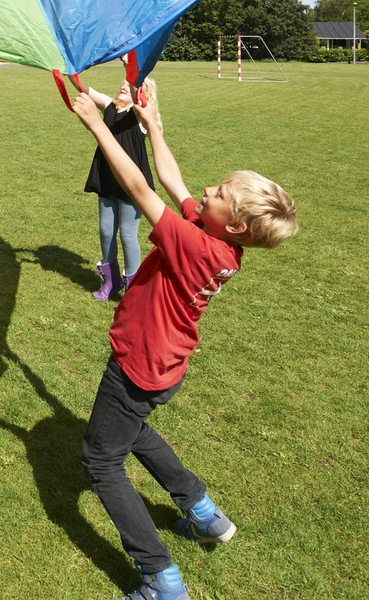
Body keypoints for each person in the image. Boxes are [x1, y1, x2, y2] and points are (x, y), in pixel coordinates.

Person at [70, 88, 297, 600]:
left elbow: (140, 187)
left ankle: (159, 578)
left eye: (218, 192)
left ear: (234, 224)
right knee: (135, 430)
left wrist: (99, 126)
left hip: (139, 361)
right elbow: (171, 181)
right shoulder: (220, 243)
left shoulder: (192, 243)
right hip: (167, 363)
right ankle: (201, 512)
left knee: (102, 462)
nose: (208, 190)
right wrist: (155, 127)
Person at [81, 69, 162, 301]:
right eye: (122, 84)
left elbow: (139, 96)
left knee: (127, 235)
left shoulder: (141, 116)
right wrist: (70, 71)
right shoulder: (108, 106)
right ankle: (110, 281)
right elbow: (85, 89)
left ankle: (132, 289)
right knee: (106, 231)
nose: (124, 86)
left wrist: (133, 72)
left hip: (133, 184)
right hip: (107, 178)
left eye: (131, 85)